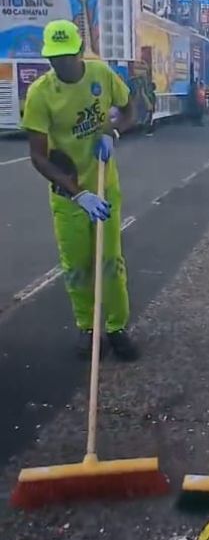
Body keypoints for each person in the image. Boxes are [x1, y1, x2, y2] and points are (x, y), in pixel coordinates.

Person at [20, 20, 139, 360]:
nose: (60, 64)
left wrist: (113, 132)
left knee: (109, 262)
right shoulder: (41, 93)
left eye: (66, 57)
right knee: (76, 265)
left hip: (104, 186)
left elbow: (132, 109)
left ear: (78, 52)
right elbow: (38, 157)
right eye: (53, 59)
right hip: (67, 192)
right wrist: (77, 194)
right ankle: (88, 328)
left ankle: (117, 328)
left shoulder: (101, 75)